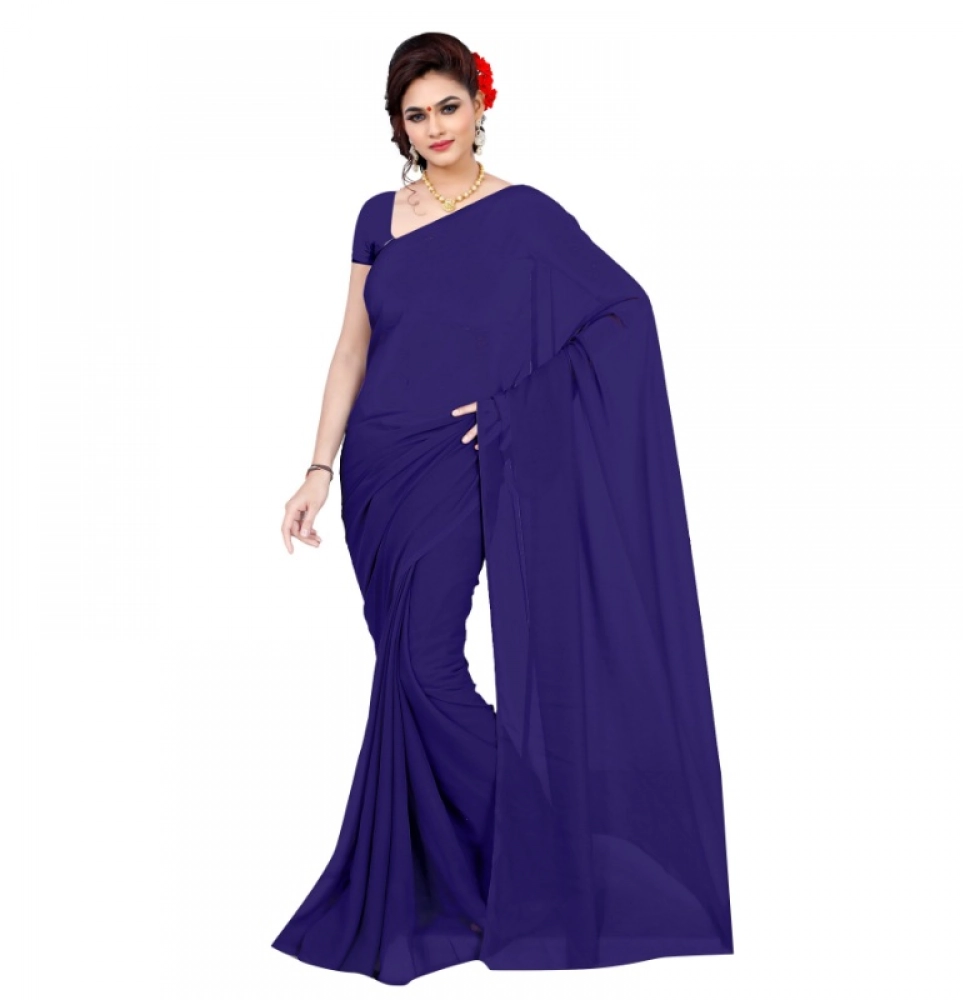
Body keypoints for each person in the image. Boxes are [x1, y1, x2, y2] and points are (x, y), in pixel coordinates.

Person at [272, 31, 734, 986]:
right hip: (378, 470)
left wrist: (520, 408)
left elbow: (624, 315)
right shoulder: (376, 216)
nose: (435, 127)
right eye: (416, 115)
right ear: (398, 126)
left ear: (480, 105)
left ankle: (562, 846)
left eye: (449, 106)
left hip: (458, 462)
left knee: (427, 669)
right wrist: (319, 465)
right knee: (408, 677)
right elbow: (352, 347)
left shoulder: (525, 215)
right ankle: (481, 878)